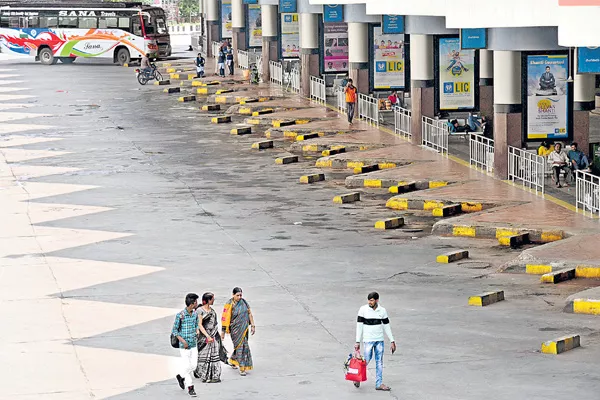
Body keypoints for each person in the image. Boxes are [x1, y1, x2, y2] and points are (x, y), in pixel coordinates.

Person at [355, 292, 396, 392]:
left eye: (372, 300)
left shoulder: (382, 311)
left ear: (377, 300)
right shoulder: (363, 310)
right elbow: (359, 326)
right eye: (369, 300)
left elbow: (386, 326)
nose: (370, 302)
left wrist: (392, 340)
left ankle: (379, 383)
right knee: (366, 360)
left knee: (379, 362)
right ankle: (357, 378)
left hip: (379, 340)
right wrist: (357, 341)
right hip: (368, 340)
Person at [194, 292, 228, 383]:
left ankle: (214, 376)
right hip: (204, 337)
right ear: (208, 300)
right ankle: (203, 374)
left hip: (213, 336)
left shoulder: (212, 311)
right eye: (212, 299)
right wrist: (207, 336)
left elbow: (215, 324)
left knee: (214, 356)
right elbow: (200, 325)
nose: (214, 300)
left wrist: (217, 335)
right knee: (203, 356)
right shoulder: (200, 310)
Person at [221, 287, 255, 376]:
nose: (239, 297)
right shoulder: (229, 304)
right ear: (233, 295)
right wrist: (223, 332)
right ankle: (242, 368)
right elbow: (225, 318)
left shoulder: (244, 302)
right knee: (242, 347)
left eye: (241, 295)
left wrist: (253, 325)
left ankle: (233, 360)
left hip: (244, 329)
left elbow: (249, 313)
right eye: (237, 295)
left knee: (242, 346)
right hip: (235, 330)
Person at [173, 293, 200, 397]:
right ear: (191, 304)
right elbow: (175, 331)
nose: (197, 304)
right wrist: (183, 341)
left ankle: (180, 376)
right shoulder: (180, 315)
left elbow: (196, 324)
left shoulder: (195, 314)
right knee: (187, 365)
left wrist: (197, 330)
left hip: (193, 344)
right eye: (196, 302)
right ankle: (190, 387)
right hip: (184, 346)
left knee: (193, 365)